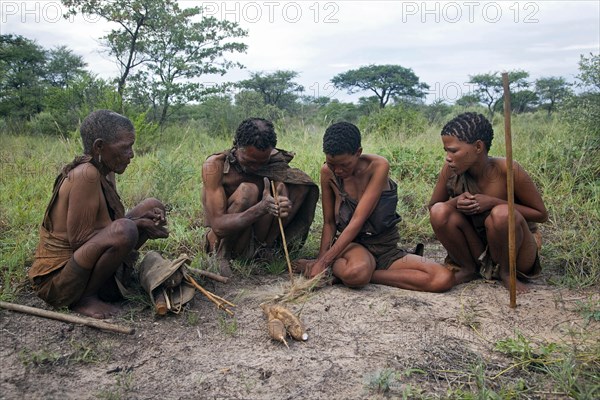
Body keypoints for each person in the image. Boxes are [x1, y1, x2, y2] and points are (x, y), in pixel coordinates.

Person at [28, 110, 169, 319]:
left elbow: (108, 226)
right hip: (60, 281)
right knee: (127, 228)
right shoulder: (86, 174)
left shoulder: (105, 169)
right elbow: (80, 242)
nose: (131, 154)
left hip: (85, 263)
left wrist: (145, 221)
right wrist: (139, 225)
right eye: (125, 147)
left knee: (152, 205)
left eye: (132, 146)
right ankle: (86, 298)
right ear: (99, 147)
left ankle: (108, 281)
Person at [296, 122, 454, 292]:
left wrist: (323, 263)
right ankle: (349, 269)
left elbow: (358, 220)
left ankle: (362, 273)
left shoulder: (378, 166)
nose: (338, 170)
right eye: (331, 164)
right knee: (356, 273)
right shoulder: (327, 172)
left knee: (442, 279)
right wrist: (321, 259)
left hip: (386, 248)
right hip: (354, 247)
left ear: (358, 153)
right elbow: (329, 223)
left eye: (344, 164)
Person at [428, 112, 548, 293]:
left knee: (502, 214)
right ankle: (469, 269)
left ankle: (506, 274)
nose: (448, 157)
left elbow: (540, 214)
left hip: (516, 248)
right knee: (439, 211)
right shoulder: (451, 170)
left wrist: (493, 202)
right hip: (476, 245)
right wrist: (456, 202)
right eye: (446, 151)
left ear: (478, 147)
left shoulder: (508, 170)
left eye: (453, 150)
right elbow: (434, 207)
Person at [201, 117, 319, 277]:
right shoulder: (215, 166)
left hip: (256, 236)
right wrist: (260, 208)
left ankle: (266, 248)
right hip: (223, 239)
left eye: (262, 162)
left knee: (294, 185)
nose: (256, 168)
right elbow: (218, 226)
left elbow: (284, 190)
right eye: (249, 162)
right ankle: (222, 257)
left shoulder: (273, 161)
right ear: (236, 146)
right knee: (247, 191)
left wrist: (283, 205)